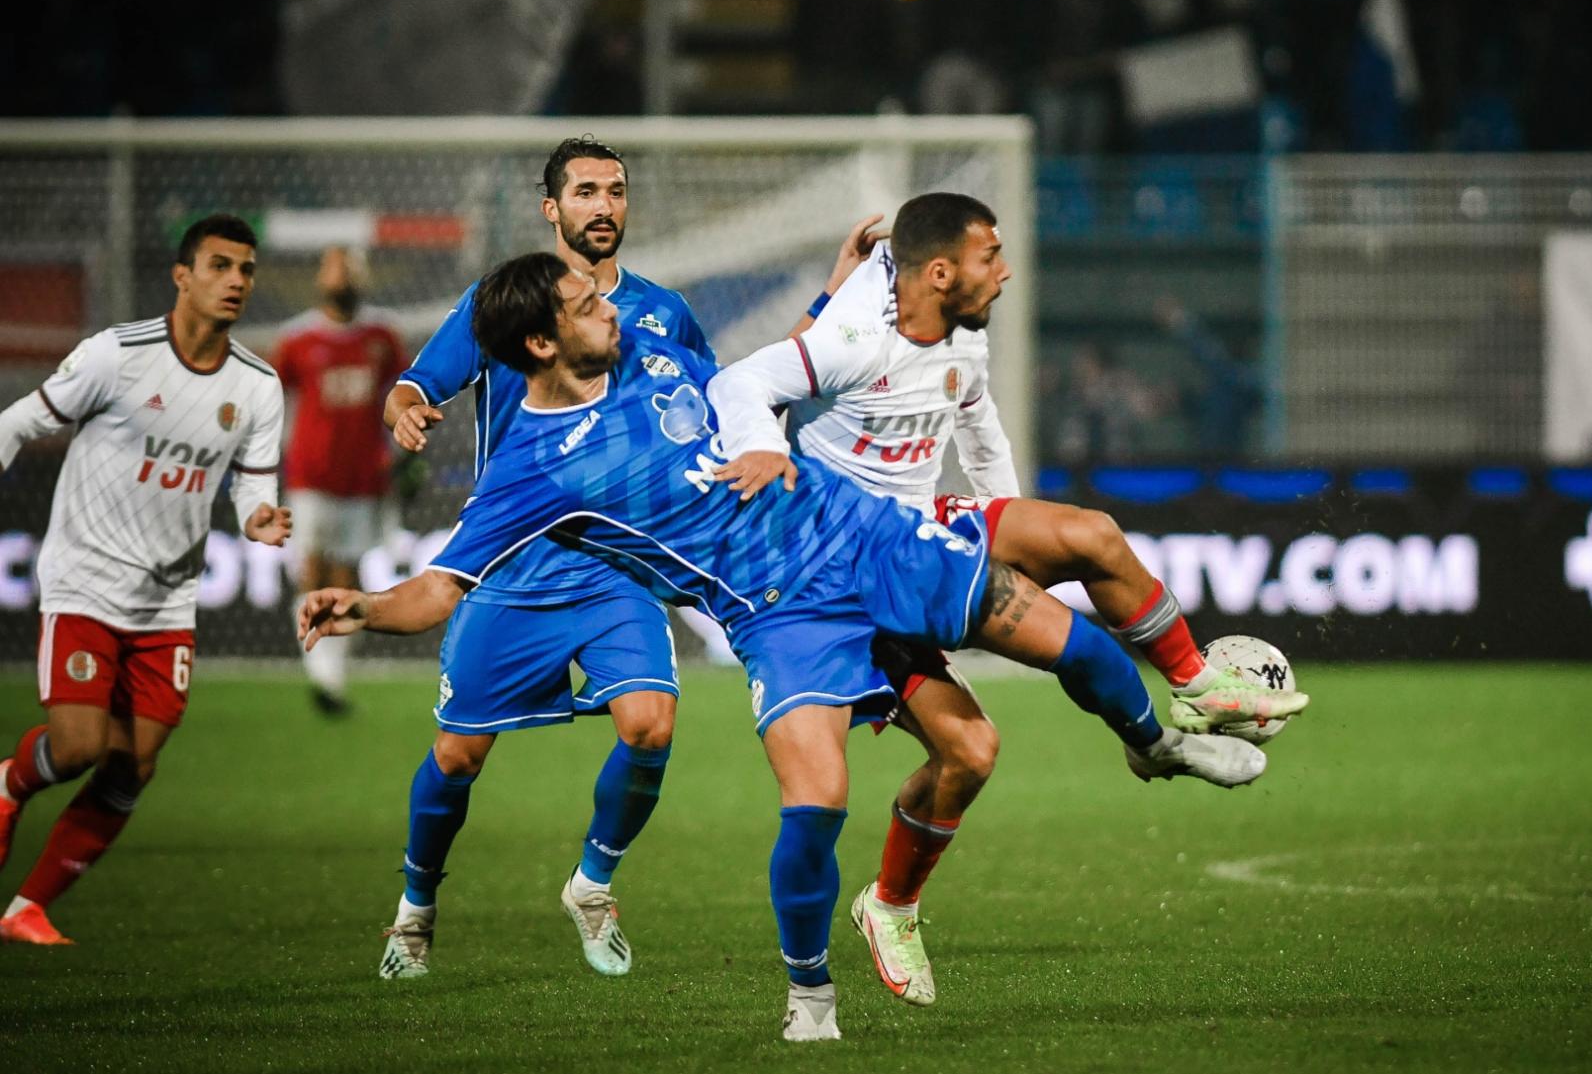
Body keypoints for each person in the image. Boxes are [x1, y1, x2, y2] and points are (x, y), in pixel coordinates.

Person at [299, 252, 1273, 1041]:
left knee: (1068, 639)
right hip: (778, 614)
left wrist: (833, 298)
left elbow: (759, 374)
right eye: (583, 301)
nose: (608, 302)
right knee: (817, 804)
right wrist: (361, 606)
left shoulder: (651, 343)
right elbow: (437, 589)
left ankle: (1159, 742)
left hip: (858, 533)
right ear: (542, 340)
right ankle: (811, 999)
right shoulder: (531, 469)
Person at [707, 192, 1303, 1006]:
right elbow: (742, 379)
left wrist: (1015, 542)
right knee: (971, 753)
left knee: (1089, 535)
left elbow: (979, 427)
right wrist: (760, 448)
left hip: (926, 536)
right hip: (845, 577)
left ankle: (1193, 683)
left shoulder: (961, 334)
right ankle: (891, 904)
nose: (1007, 269)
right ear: (942, 271)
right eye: (992, 255)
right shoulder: (854, 334)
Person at [372, 137, 882, 982]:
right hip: (520, 557)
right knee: (459, 755)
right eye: (584, 191)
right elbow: (423, 381)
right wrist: (405, 406)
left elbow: (740, 389)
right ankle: (415, 910)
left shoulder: (659, 310)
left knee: (650, 724)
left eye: (615, 190)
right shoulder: (512, 301)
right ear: (553, 209)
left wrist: (834, 288)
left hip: (618, 562)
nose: (602, 205)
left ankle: (591, 883)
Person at [0, 215, 292, 946]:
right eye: (220, 265)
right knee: (76, 748)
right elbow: (17, 423)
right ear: (181, 274)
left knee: (134, 763)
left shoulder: (257, 385)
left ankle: (27, 906)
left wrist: (259, 521)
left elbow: (252, 488)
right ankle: (7, 783)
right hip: (86, 580)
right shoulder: (117, 355)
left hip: (168, 600)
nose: (235, 281)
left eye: (246, 270)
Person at [273, 246, 407, 715]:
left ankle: (334, 676)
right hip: (311, 475)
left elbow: (400, 396)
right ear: (319, 279)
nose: (341, 278)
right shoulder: (297, 339)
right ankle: (320, 673)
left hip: (364, 476)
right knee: (311, 569)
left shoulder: (381, 335)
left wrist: (399, 453)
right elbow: (279, 404)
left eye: (348, 269)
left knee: (347, 575)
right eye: (333, 268)